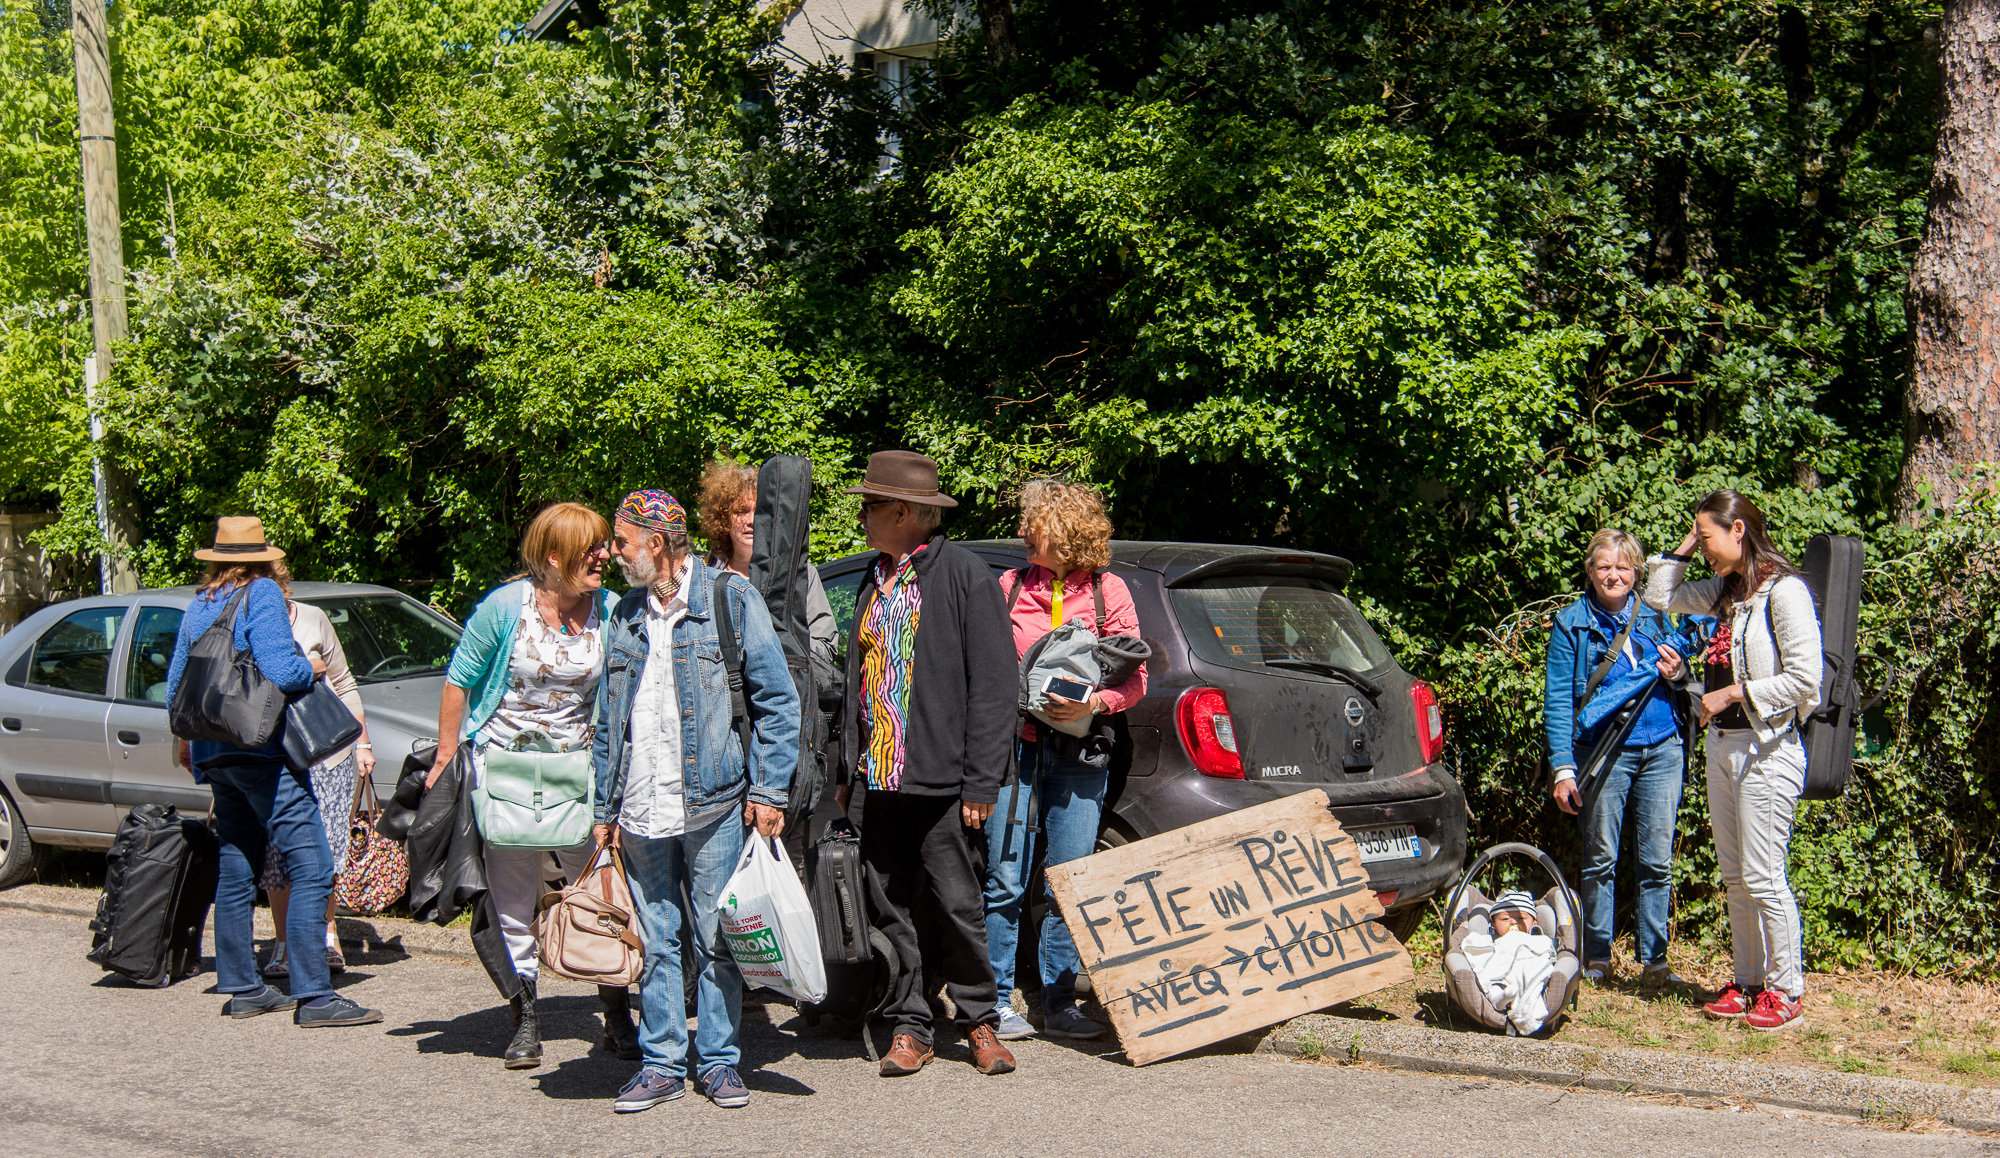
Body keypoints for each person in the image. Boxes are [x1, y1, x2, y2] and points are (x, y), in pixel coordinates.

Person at [594, 489, 801, 1113]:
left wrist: (769, 789)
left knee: (716, 937)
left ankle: (716, 1062)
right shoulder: (626, 613)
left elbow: (778, 701)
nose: (612, 553)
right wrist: (603, 809)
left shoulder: (730, 599)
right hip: (640, 805)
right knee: (657, 942)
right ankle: (660, 1063)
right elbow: (609, 720)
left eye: (623, 542)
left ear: (656, 545)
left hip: (714, 803)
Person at [834, 450, 1018, 1078]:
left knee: (958, 905)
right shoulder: (873, 578)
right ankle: (910, 1025)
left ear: (905, 512)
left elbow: (995, 684)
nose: (861, 515)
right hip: (879, 781)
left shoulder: (964, 575)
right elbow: (857, 680)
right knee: (892, 909)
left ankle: (979, 1020)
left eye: (870, 505)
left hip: (944, 783)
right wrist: (846, 769)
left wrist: (981, 778)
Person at [428, 501, 624, 1068]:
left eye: (606, 545)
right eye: (591, 548)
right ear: (553, 557)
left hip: (579, 774)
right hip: (506, 772)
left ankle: (614, 1012)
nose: (604, 556)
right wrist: (447, 756)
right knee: (512, 899)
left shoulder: (610, 610)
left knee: (599, 890)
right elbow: (460, 680)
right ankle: (525, 1019)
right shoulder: (503, 609)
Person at [165, 517, 381, 1027]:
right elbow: (284, 671)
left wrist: (187, 745)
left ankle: (243, 987)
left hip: (215, 752)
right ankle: (315, 996)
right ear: (264, 560)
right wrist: (315, 669)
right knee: (313, 865)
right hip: (262, 752)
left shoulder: (201, 604)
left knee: (238, 862)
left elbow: (175, 683)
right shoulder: (261, 593)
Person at [1645, 490, 1822, 1032]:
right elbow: (1658, 595)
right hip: (1723, 746)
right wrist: (1685, 541)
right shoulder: (1726, 592)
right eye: (1697, 538)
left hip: (1768, 749)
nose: (1702, 549)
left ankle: (1785, 989)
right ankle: (1748, 982)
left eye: (1708, 536)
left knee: (1766, 877)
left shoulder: (1785, 592)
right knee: (1735, 877)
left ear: (1739, 530)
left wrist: (1733, 693)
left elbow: (1806, 680)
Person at [985, 478, 1148, 1041]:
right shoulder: (1007, 586)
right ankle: (995, 1003)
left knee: (1069, 881)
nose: (1023, 531)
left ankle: (1059, 1003)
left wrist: (1093, 701)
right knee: (1005, 879)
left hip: (1081, 754)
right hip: (1016, 751)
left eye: (1035, 523)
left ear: (1067, 531)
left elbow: (1136, 680)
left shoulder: (1110, 593)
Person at [1542, 528, 1694, 984]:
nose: (1614, 575)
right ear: (1590, 571)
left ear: (1636, 572)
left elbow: (1683, 674)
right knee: (1600, 858)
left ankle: (1655, 962)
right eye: (1605, 566)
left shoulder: (1658, 614)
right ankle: (1598, 956)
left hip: (1664, 747)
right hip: (1605, 752)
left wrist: (1680, 671)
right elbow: (1558, 701)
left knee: (1657, 861)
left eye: (1623, 567)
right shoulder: (1572, 623)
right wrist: (1562, 768)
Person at [260, 598, 376, 979]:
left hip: (328, 751)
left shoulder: (312, 617)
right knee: (279, 852)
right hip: (277, 755)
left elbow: (343, 682)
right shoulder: (250, 621)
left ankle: (327, 936)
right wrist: (306, 667)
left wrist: (362, 742)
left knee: (327, 849)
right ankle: (283, 942)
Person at [697, 457, 838, 669]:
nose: (751, 520)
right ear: (722, 518)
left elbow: (825, 649)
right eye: (740, 511)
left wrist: (780, 644)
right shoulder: (702, 574)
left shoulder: (800, 574)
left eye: (759, 511)